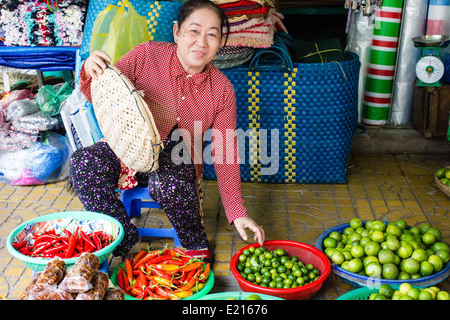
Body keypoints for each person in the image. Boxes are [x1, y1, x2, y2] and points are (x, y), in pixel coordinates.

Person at [69, 0, 265, 260]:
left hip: (176, 165)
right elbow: (104, 94)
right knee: (83, 163)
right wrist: (91, 69)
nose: (201, 42)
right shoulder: (147, 55)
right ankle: (122, 236)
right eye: (194, 31)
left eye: (212, 35)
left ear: (220, 43)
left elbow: (225, 153)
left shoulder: (222, 90)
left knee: (174, 160)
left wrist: (238, 212)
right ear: (177, 32)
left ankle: (193, 237)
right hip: (125, 149)